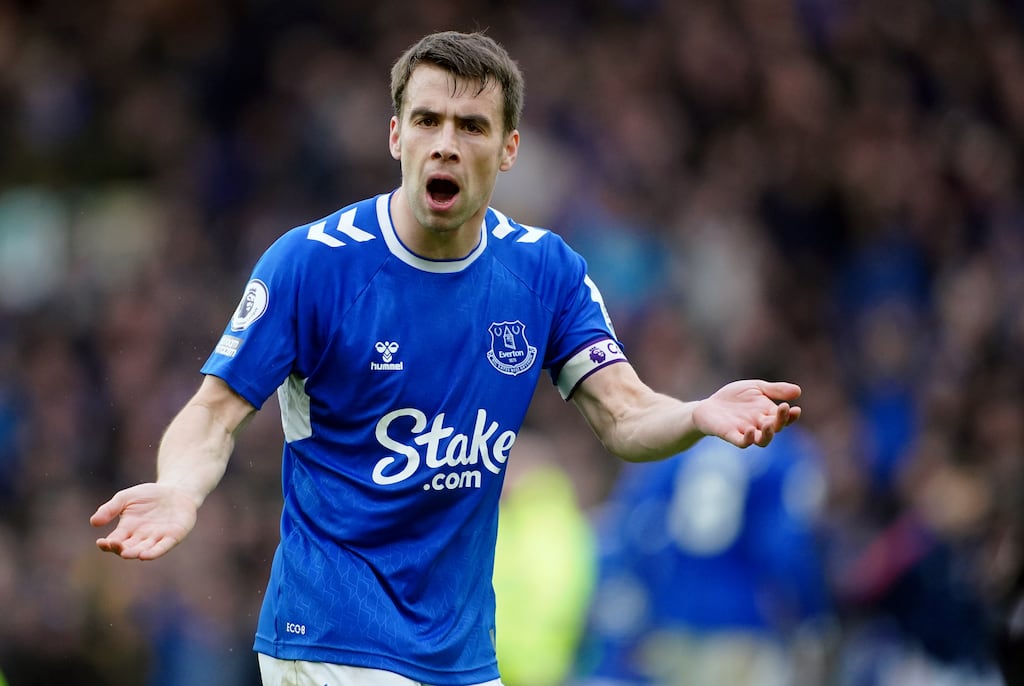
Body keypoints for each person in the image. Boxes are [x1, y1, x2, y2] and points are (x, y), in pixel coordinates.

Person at [90, 30, 802, 686]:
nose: (445, 143)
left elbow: (625, 416)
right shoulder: (312, 265)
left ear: (510, 148)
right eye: (427, 121)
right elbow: (212, 416)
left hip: (460, 654)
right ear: (396, 135)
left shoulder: (546, 272)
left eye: (471, 126)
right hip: (333, 634)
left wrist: (698, 413)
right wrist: (180, 490)